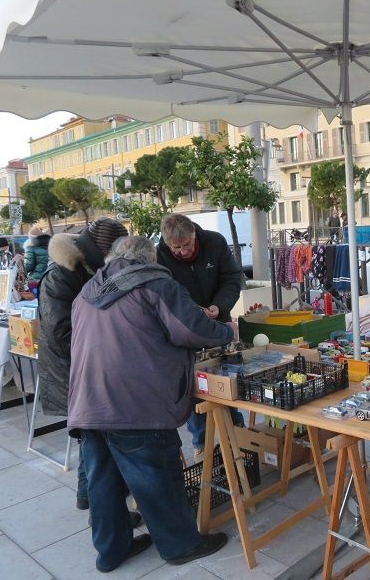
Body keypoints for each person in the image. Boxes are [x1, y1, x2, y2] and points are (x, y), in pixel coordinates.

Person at [69, 235, 232, 572]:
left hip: (88, 400)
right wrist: (227, 331)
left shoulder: (88, 289)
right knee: (156, 474)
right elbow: (192, 329)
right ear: (150, 258)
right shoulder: (154, 283)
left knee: (104, 481)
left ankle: (112, 550)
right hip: (134, 400)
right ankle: (180, 544)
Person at [37, 217, 128, 512]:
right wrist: (107, 343)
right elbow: (60, 332)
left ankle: (89, 497)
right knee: (94, 441)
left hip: (91, 364)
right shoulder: (62, 274)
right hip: (74, 369)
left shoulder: (91, 268)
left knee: (93, 440)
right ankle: (102, 509)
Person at [156, 213, 244, 459]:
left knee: (229, 377)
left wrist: (218, 305)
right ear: (167, 244)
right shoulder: (159, 255)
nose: (182, 252)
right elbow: (165, 294)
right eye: (176, 248)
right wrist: (194, 313)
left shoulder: (214, 242)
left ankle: (236, 432)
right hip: (186, 326)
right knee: (195, 384)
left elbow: (231, 278)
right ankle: (202, 444)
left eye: (186, 245)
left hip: (220, 319)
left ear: (194, 234)